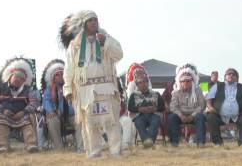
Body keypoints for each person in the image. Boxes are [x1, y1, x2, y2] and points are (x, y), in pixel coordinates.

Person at [59, 10, 123, 158]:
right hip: (85, 90)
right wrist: (68, 89)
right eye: (90, 21)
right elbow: (69, 69)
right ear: (84, 24)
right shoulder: (74, 46)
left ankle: (116, 152)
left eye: (95, 20)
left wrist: (105, 43)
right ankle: (94, 153)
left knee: (112, 122)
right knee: (89, 123)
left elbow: (119, 55)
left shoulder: (106, 38)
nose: (94, 22)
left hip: (106, 87)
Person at [0, 57, 39, 153]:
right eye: (16, 76)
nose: (18, 79)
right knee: (0, 118)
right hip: (4, 114)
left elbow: (34, 102)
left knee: (29, 119)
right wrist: (2, 109)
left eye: (21, 78)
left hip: (22, 116)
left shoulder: (28, 89)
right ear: (10, 76)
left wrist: (24, 111)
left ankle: (31, 145)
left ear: (24, 81)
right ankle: (3, 147)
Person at [41, 59, 84, 152]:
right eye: (57, 75)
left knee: (80, 120)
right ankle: (58, 149)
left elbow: (77, 101)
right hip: (56, 116)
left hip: (71, 115)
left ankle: (81, 148)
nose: (60, 77)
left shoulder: (72, 87)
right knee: (51, 119)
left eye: (62, 74)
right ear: (53, 78)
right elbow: (46, 102)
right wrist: (52, 111)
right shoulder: (49, 89)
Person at [206, 68, 242, 146]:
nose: (231, 75)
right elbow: (208, 98)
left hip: (238, 116)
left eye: (234, 74)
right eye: (229, 74)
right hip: (220, 116)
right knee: (210, 116)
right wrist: (210, 107)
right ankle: (218, 143)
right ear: (225, 76)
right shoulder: (217, 86)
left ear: (237, 78)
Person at [168, 64, 206, 147]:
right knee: (171, 117)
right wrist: (181, 115)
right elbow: (173, 107)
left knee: (200, 117)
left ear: (192, 81)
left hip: (194, 115)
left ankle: (200, 142)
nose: (185, 83)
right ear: (180, 82)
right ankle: (174, 143)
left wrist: (192, 115)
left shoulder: (198, 90)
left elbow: (202, 105)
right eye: (182, 81)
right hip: (181, 116)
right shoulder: (176, 92)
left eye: (187, 81)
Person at [128, 69, 165, 148]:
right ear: (137, 85)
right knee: (139, 122)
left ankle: (148, 143)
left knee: (155, 121)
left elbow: (163, 107)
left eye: (145, 81)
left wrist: (155, 109)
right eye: (140, 82)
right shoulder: (133, 95)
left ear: (148, 83)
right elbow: (130, 108)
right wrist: (140, 109)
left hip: (154, 115)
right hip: (140, 116)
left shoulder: (156, 94)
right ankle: (149, 142)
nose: (143, 84)